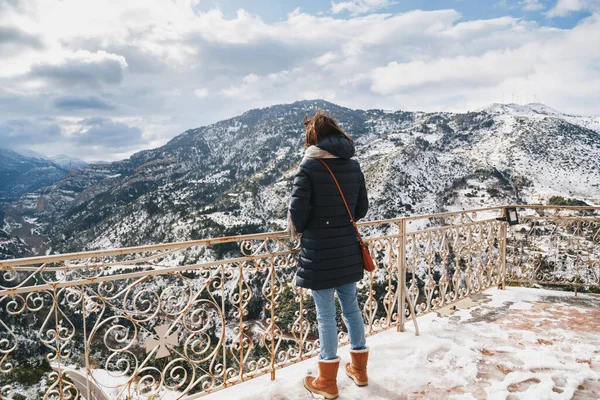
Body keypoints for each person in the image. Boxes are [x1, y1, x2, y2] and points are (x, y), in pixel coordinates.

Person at [288, 110, 370, 400]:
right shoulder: (353, 164)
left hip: (319, 253)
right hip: (347, 248)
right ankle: (359, 370)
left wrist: (313, 223)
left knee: (325, 316)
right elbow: (360, 210)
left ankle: (327, 381)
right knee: (352, 309)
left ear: (313, 137)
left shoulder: (308, 167)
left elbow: (297, 215)